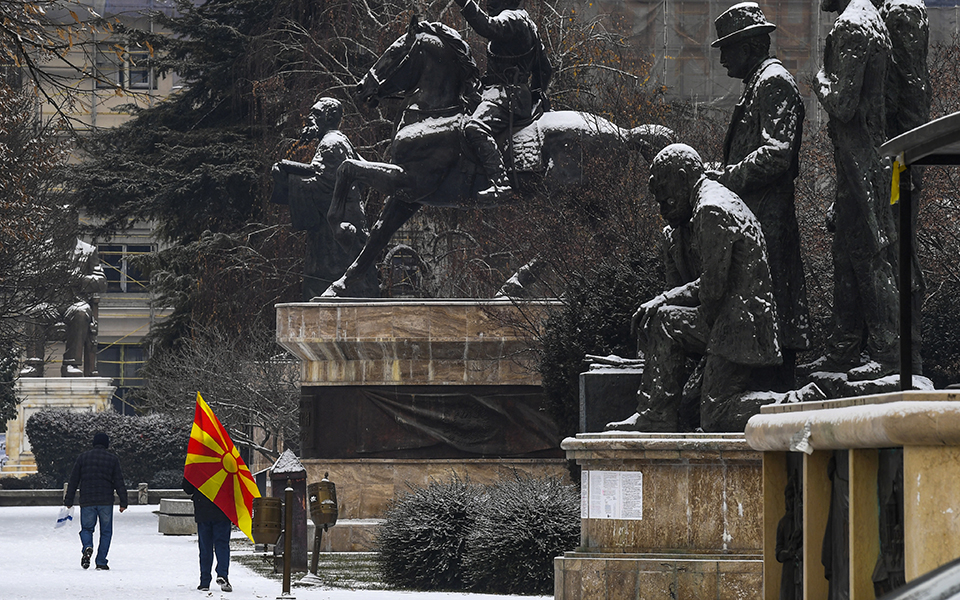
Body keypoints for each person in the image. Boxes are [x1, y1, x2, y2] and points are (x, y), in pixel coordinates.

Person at [607, 144, 823, 433]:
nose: (662, 210)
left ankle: (797, 402)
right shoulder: (706, 206)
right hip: (731, 323)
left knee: (715, 413)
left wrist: (664, 299)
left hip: (739, 328)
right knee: (689, 404)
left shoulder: (710, 209)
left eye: (667, 201)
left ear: (684, 178)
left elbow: (712, 290)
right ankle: (656, 414)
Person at [711, 2, 811, 391]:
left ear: (750, 47)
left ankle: (777, 388)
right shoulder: (758, 85)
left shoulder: (773, 82)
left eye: (726, 49)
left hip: (769, 218)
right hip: (757, 216)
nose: (721, 60)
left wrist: (728, 178)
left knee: (774, 307)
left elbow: (777, 153)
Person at [805, 0, 900, 380]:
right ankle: (842, 348)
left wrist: (817, 79)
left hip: (861, 162)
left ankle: (888, 351)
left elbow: (842, 105)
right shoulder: (872, 21)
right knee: (846, 255)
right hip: (863, 160)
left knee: (868, 258)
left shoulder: (851, 27)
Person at [271, 97, 377, 299]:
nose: (310, 118)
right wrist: (290, 168)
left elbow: (324, 185)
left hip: (335, 236)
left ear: (329, 117)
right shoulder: (341, 140)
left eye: (316, 113)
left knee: (323, 283)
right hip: (347, 227)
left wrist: (286, 179)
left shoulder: (330, 143)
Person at [452, 0, 552, 202]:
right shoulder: (529, 24)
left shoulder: (513, 18)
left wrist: (464, 3)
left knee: (474, 128)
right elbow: (545, 68)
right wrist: (532, 95)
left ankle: (500, 182)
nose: (488, 2)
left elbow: (487, 27)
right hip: (511, 94)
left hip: (506, 95)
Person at [21, 238, 107, 377]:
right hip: (47, 302)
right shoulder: (39, 248)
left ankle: (71, 364)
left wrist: (80, 279)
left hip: (74, 302)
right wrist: (47, 274)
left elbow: (102, 283)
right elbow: (24, 277)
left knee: (81, 312)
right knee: (33, 312)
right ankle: (34, 365)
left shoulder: (88, 250)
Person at [64, 432, 128, 570]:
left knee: (87, 528)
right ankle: (101, 562)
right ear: (106, 444)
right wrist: (123, 502)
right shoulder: (112, 459)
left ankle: (87, 546)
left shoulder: (83, 458)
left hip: (87, 500)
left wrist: (68, 500)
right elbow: (119, 481)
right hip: (106, 500)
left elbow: (74, 480)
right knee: (106, 532)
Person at [182, 478, 233, 593]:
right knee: (222, 545)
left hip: (203, 509)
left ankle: (204, 581)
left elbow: (188, 488)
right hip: (222, 509)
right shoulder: (227, 461)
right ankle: (222, 574)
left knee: (205, 547)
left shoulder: (197, 463)